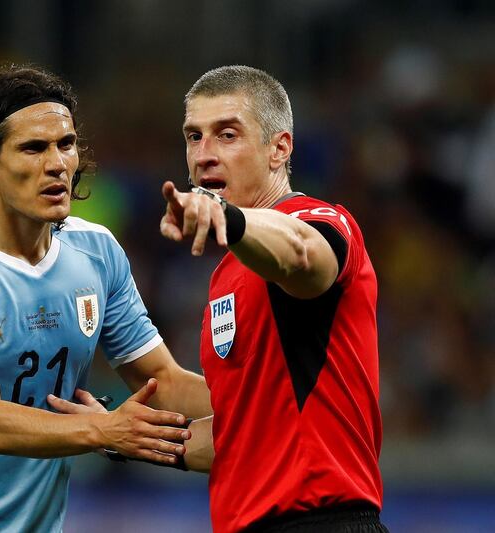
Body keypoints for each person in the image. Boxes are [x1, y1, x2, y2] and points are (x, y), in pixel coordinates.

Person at [0, 65, 212, 533]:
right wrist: (103, 430)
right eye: (33, 148)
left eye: (66, 144)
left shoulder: (97, 252)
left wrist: (274, 405)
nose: (57, 164)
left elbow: (163, 382)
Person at [156, 65, 388, 532]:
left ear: (279, 148)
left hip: (323, 522)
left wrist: (228, 216)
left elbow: (302, 254)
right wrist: (117, 436)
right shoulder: (228, 272)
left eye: (226, 135)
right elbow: (240, 435)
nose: (204, 155)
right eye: (194, 137)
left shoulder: (321, 219)